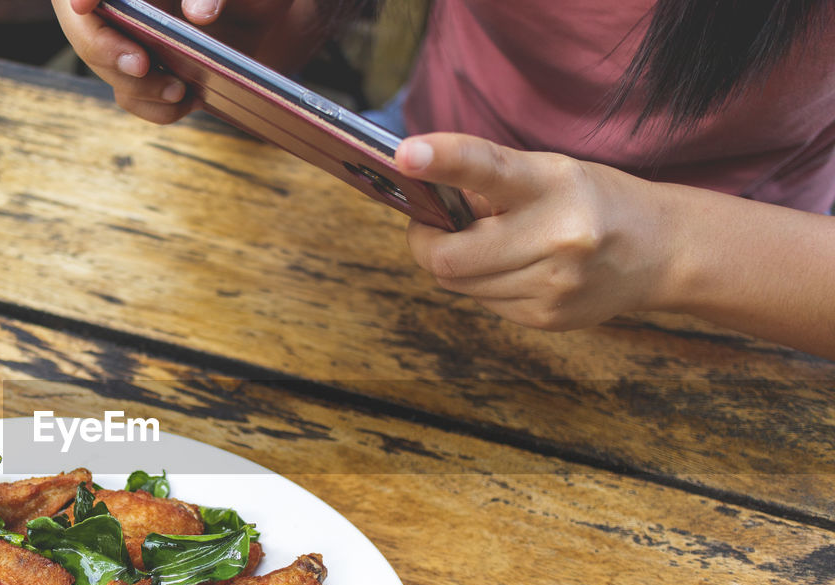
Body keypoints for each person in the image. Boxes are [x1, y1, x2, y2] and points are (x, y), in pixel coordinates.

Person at [51, 0, 835, 360]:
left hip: (756, 293)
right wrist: (203, 31)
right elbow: (286, 34)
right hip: (407, 186)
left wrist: (670, 247)